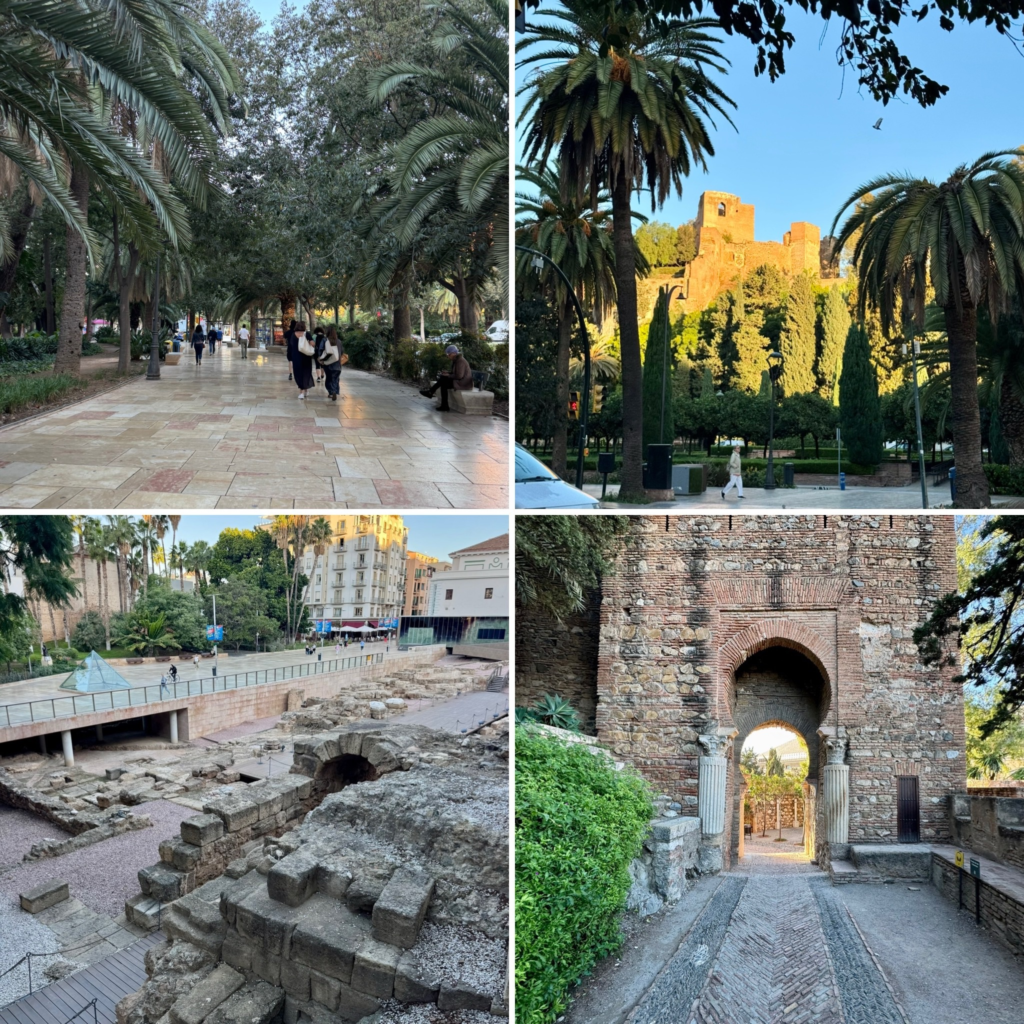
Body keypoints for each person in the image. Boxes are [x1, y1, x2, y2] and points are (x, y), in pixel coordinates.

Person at [420, 345, 473, 411]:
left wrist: (448, 375)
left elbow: (459, 376)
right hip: (459, 381)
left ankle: (431, 393)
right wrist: (447, 373)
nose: (448, 356)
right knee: (443, 380)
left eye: (449, 354)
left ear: (454, 353)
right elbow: (455, 373)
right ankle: (442, 404)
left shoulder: (460, 361)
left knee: (443, 380)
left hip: (464, 383)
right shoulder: (456, 360)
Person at [292, 321, 315, 399]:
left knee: (298, 374)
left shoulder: (293, 335)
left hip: (296, 358)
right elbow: (312, 343)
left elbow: (291, 346)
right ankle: (306, 390)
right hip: (306, 357)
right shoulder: (306, 334)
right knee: (306, 373)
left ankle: (301, 392)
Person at [320, 326, 344, 402]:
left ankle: (331, 392)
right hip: (337, 364)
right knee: (336, 379)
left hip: (328, 363)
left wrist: (321, 359)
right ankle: (335, 391)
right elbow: (342, 352)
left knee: (329, 378)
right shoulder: (339, 341)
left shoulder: (325, 340)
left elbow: (320, 350)